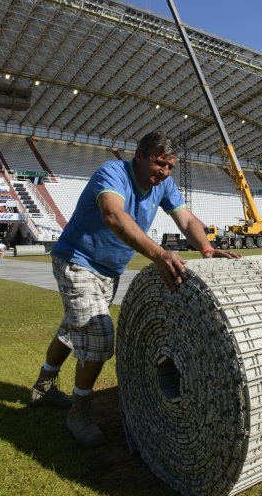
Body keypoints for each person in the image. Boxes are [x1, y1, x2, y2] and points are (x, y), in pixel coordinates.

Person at [29, 131, 240, 447]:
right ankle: (79, 413)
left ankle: (43, 385)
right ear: (139, 155)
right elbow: (113, 214)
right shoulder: (113, 172)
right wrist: (158, 254)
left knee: (74, 330)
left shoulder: (164, 185)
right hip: (78, 262)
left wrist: (207, 249)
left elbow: (185, 219)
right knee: (98, 338)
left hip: (108, 272)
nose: (164, 173)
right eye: (159, 163)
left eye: (170, 167)